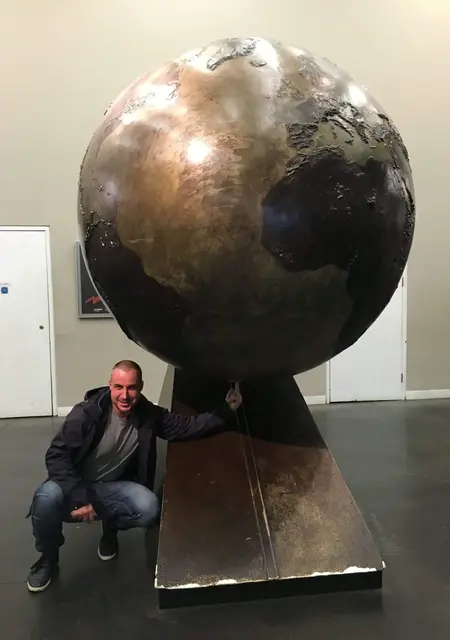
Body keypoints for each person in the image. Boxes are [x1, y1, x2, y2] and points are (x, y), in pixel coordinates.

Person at [26, 360, 242, 593]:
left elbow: (185, 427)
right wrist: (81, 497)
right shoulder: (86, 414)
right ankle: (48, 558)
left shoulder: (148, 414)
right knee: (45, 498)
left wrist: (226, 410)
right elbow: (57, 455)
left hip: (112, 487)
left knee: (149, 507)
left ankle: (110, 529)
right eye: (119, 387)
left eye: (131, 388)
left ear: (140, 387)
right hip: (77, 485)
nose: (125, 395)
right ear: (110, 385)